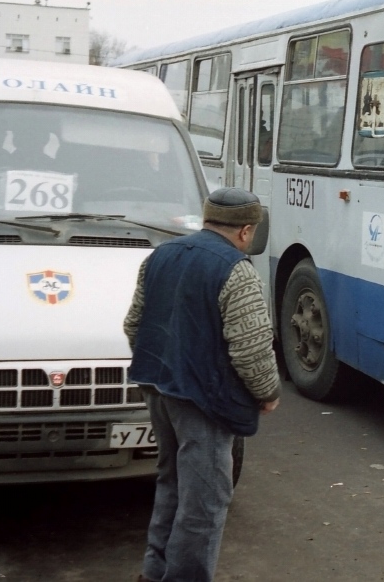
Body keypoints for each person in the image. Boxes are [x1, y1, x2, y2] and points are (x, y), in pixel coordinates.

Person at [124, 187, 280, 582]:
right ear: (246, 231)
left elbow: (134, 325)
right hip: (204, 401)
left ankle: (154, 572)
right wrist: (267, 392)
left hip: (158, 389)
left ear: (206, 219)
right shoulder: (237, 270)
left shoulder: (161, 256)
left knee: (172, 484)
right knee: (205, 502)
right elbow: (251, 347)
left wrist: (163, 371)